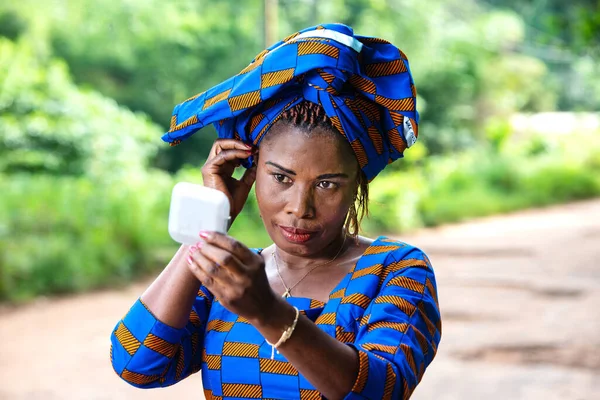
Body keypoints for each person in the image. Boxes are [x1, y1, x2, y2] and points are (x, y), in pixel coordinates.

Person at [110, 23, 441, 400]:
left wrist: (268, 312)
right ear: (252, 171)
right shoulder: (229, 278)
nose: (300, 208)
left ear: (357, 184)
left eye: (327, 184)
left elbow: (381, 391)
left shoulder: (395, 271)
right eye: (281, 178)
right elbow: (136, 364)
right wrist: (209, 223)